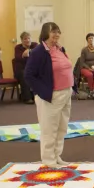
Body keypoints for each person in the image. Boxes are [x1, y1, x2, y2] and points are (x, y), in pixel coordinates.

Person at [24, 22, 75, 168]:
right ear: (46, 33)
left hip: (65, 93)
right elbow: (28, 75)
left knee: (61, 128)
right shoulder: (38, 51)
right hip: (51, 96)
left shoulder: (60, 48)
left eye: (58, 32)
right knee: (49, 129)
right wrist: (42, 91)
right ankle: (48, 160)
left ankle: (57, 156)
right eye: (53, 32)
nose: (56, 35)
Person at [13, 31, 38, 104]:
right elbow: (18, 58)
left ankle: (42, 95)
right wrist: (24, 55)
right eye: (25, 39)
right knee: (24, 73)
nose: (27, 40)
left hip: (33, 70)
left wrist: (29, 51)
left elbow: (39, 53)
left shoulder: (35, 45)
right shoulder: (18, 47)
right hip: (20, 71)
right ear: (21, 40)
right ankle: (27, 98)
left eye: (29, 38)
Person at [80, 33, 94, 98]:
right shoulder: (84, 50)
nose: (91, 39)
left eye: (92, 38)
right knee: (90, 75)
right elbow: (81, 62)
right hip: (85, 67)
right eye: (89, 38)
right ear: (87, 40)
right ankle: (92, 90)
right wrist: (88, 68)